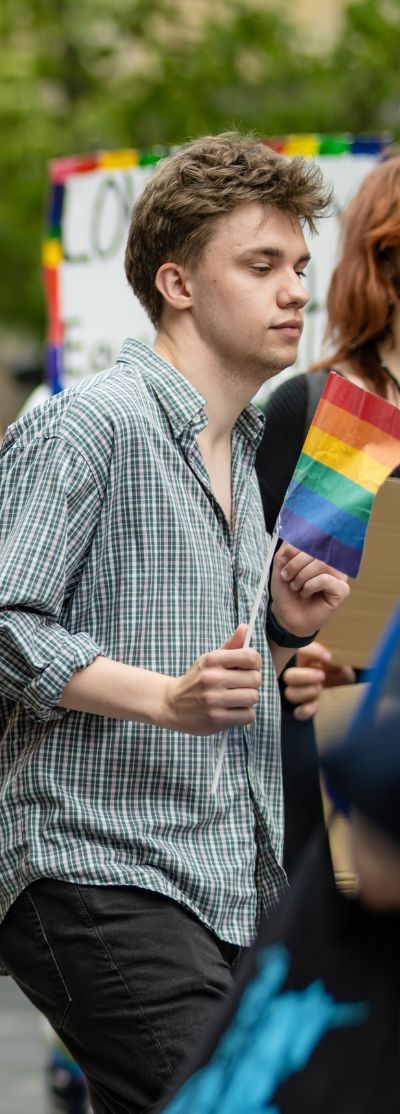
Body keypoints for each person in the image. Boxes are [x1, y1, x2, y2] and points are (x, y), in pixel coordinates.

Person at [0, 133, 347, 1114]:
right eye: (260, 265)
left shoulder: (242, 451)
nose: (293, 290)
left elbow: (207, 668)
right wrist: (162, 700)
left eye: (298, 266)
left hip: (211, 870)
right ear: (175, 281)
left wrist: (286, 642)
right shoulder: (92, 424)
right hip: (85, 858)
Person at [255, 154, 400, 872]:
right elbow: (252, 606)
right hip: (343, 778)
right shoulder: (325, 410)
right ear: (385, 258)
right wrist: (306, 658)